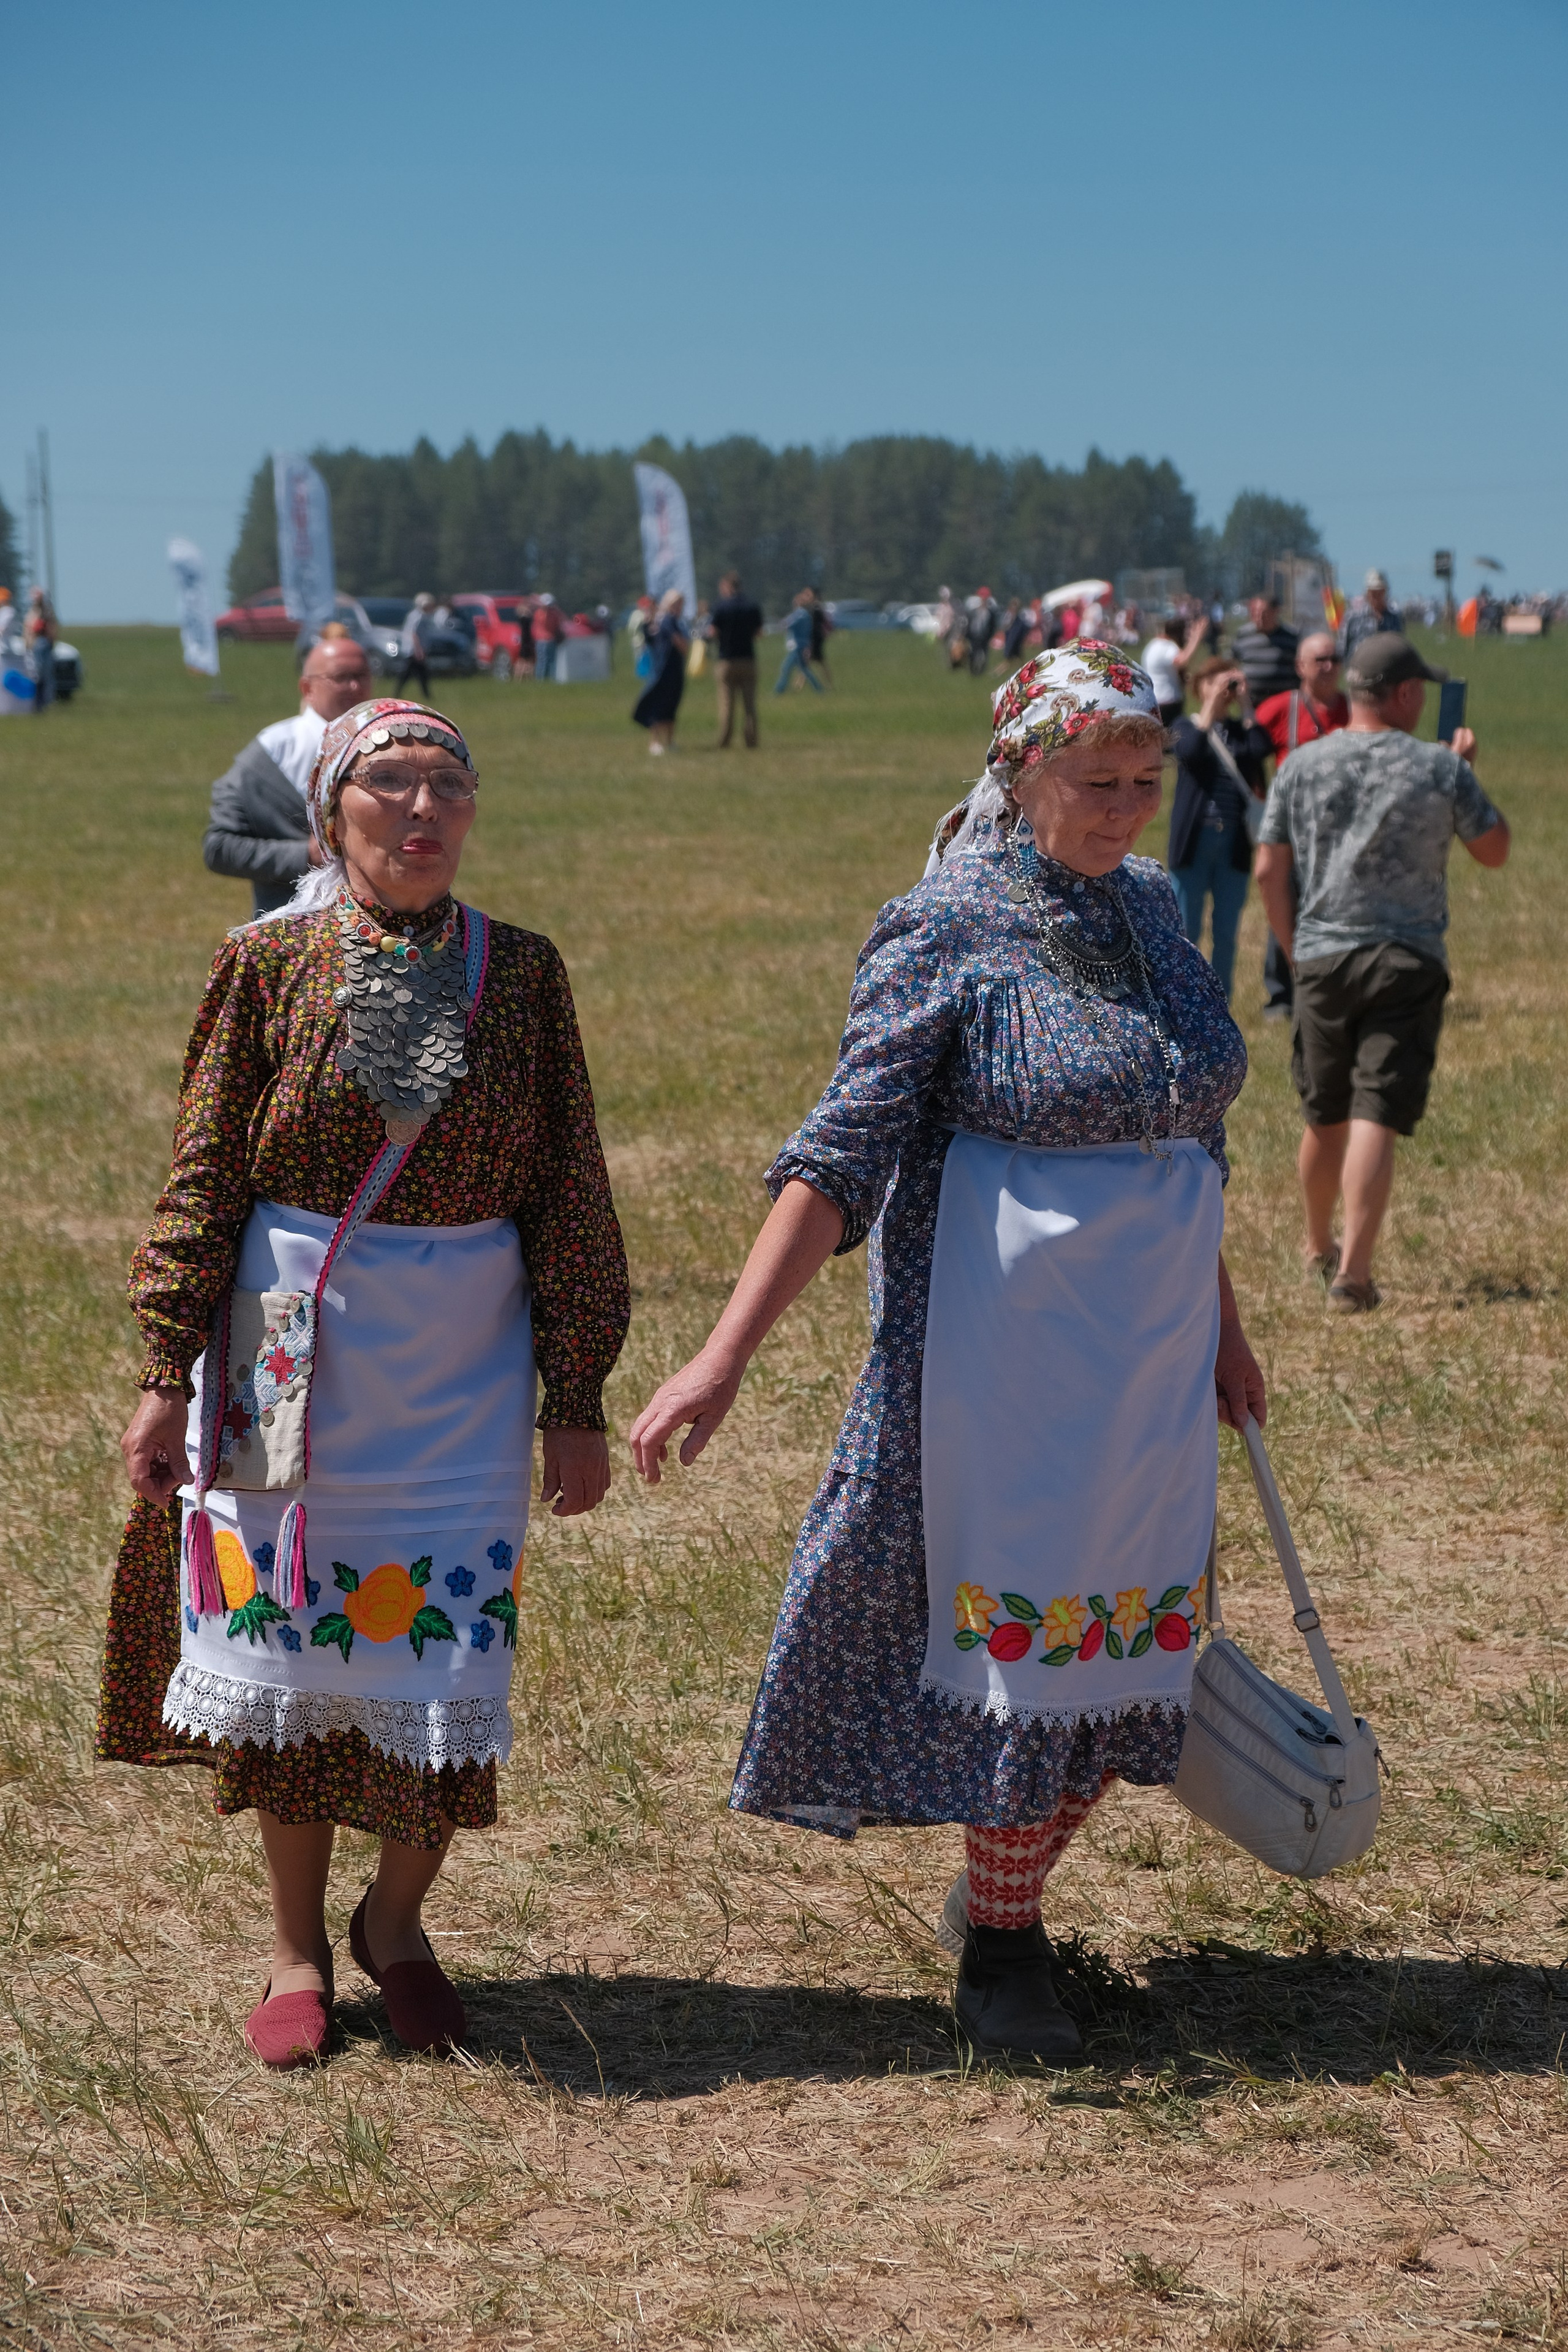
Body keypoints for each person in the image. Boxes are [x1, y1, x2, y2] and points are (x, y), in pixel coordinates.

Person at [630, 642, 1262, 2063]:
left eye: (1144, 781)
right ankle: (1004, 1943)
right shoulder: (943, 923)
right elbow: (837, 1156)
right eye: (1095, 781)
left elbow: (1187, 1136)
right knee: (1024, 1628)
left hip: (1149, 1354)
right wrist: (722, 1354)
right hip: (1004, 1361)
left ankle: (1000, 1894)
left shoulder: (1152, 906)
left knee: (1131, 1635)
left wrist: (1224, 1328)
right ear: (1017, 771)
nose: (1125, 808)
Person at [102, 696, 628, 2068]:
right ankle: (295, 1946)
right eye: (389, 782)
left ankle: (395, 1923)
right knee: (286, 1643)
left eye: (446, 783)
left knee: (442, 1648)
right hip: (285, 1345)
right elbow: (204, 1172)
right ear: (331, 812)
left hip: (464, 1361)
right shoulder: (264, 963)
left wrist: (575, 1394)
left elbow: (570, 1184)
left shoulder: (523, 973)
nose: (422, 809)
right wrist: (166, 1369)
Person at [1254, 634, 1509, 1314]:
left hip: (1322, 957)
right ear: (1404, 694)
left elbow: (1268, 869)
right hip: (1406, 958)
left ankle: (1317, 1244)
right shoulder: (1439, 768)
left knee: (1324, 1111)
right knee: (1376, 1110)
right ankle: (1355, 1277)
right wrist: (1464, 772)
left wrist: (1296, 951)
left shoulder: (1301, 764)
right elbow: (1494, 850)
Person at [203, 636, 375, 917]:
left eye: (362, 675)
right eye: (341, 678)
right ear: (307, 688)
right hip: (291, 926)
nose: (355, 687)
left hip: (380, 926)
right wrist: (304, 855)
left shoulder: (390, 742)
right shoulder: (270, 755)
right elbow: (219, 848)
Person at [1253, 636, 1351, 1019]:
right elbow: (1248, 750)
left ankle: (1339, 985)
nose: (1329, 666)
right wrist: (1260, 795)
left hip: (1343, 829)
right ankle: (1281, 994)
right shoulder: (1281, 709)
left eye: (1335, 659)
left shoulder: (1354, 710)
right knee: (1285, 903)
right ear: (1301, 667)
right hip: (1292, 831)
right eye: (1320, 659)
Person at [1166, 658, 1270, 1001]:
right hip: (1195, 842)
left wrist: (1247, 705)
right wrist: (1210, 707)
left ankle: (1220, 1003)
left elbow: (1260, 749)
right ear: (1199, 688)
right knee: (1187, 929)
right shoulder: (1185, 725)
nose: (1222, 689)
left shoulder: (1242, 730)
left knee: (1226, 932)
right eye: (1212, 682)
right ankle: (1184, 1000)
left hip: (1233, 842)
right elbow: (1191, 751)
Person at [631, 589, 689, 752]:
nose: (679, 607)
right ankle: (656, 742)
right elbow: (681, 644)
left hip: (673, 669)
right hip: (663, 670)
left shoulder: (671, 621)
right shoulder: (667, 620)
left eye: (681, 604)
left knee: (671, 706)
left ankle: (669, 741)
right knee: (658, 706)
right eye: (676, 604)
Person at [711, 572, 763, 748]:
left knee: (727, 704)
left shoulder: (721, 607)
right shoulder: (752, 606)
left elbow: (713, 632)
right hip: (748, 659)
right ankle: (751, 740)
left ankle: (725, 740)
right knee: (750, 705)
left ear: (727, 586)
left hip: (727, 660)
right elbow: (759, 633)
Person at [1232, 594, 1299, 709]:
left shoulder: (1291, 637)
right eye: (1255, 613)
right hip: (1252, 705)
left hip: (1284, 705)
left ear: (1276, 611)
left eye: (1263, 613)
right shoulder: (1243, 635)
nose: (1259, 617)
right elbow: (1233, 663)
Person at [1140, 611, 1204, 725]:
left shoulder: (1153, 645)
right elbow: (1182, 660)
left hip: (1154, 700)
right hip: (1169, 701)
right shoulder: (1168, 646)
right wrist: (1196, 638)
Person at [1340, 568, 1404, 659]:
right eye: (1373, 593)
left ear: (1385, 592)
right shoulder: (1353, 617)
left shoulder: (1395, 618)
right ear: (1367, 593)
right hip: (1359, 664)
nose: (1377, 596)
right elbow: (1342, 647)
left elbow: (1401, 646)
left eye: (1380, 592)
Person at [774, 591, 823, 695]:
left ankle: (778, 691)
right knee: (804, 669)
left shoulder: (800, 614)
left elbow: (788, 624)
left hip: (797, 646)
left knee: (786, 668)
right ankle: (819, 689)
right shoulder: (806, 615)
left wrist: (782, 624)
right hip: (803, 645)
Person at [396, 595, 435, 696]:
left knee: (419, 673)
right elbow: (414, 634)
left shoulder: (415, 615)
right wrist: (419, 650)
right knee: (409, 674)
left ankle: (426, 695)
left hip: (412, 649)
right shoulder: (419, 617)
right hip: (413, 650)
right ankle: (398, 693)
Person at [25, 589, 57, 711]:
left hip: (43, 643)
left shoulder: (46, 611)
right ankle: (37, 703)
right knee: (37, 674)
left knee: (44, 674)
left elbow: (51, 627)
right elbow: (30, 628)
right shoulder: (33, 612)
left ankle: (43, 703)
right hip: (36, 643)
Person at [966, 586, 998, 676]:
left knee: (984, 654)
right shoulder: (974, 611)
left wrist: (990, 636)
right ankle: (973, 670)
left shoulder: (990, 613)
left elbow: (992, 626)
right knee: (972, 652)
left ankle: (981, 670)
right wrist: (968, 634)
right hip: (974, 635)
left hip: (984, 636)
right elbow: (970, 623)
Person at [531, 593, 563, 681]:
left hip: (546, 640)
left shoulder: (540, 613)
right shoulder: (545, 614)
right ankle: (543, 679)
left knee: (547, 661)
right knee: (546, 662)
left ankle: (546, 680)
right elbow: (557, 624)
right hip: (545, 640)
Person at [807, 590, 834, 687]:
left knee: (810, 662)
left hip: (815, 638)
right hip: (818, 637)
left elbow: (818, 623)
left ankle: (799, 685)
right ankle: (799, 685)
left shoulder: (816, 609)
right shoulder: (819, 608)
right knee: (811, 661)